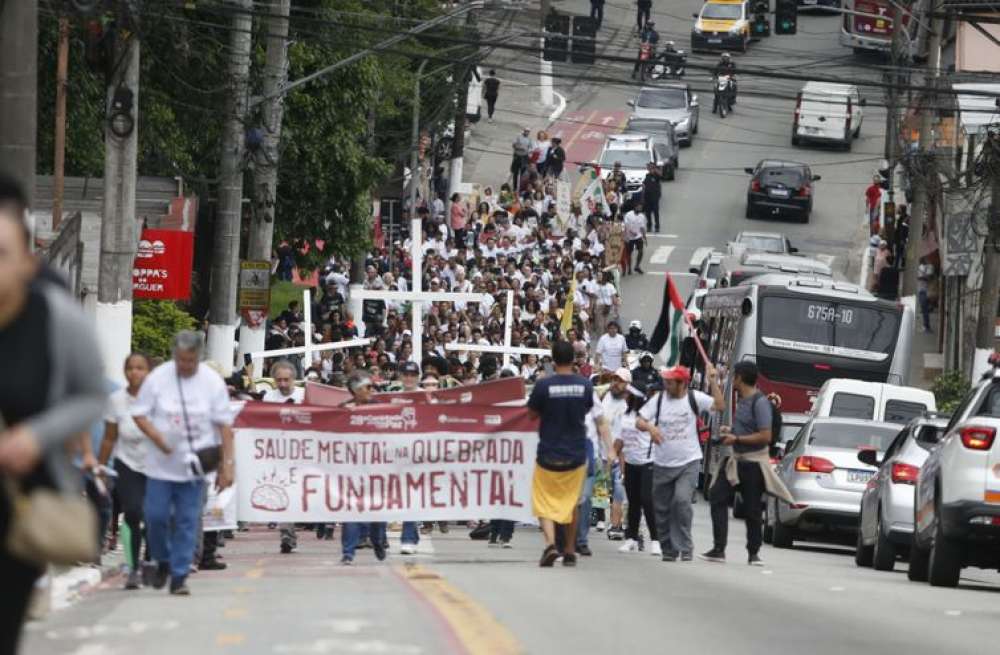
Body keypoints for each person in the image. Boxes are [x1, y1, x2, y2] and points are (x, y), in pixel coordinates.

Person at [0, 174, 108, 654]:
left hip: (16, 512)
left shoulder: (54, 317)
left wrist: (36, 436)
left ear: (25, 259)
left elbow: (91, 394)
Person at [132, 330, 235, 596]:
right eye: (180, 360)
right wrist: (157, 437)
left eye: (190, 360)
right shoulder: (157, 379)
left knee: (188, 520)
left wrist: (227, 465)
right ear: (173, 355)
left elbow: (225, 426)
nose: (185, 366)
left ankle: (179, 576)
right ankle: (162, 559)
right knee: (155, 518)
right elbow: (140, 415)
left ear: (199, 357)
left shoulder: (212, 382)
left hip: (195, 467)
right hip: (161, 466)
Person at [702, 361, 792, 566]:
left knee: (752, 508)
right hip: (736, 460)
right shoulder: (742, 400)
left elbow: (766, 436)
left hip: (753, 462)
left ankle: (753, 552)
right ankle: (718, 549)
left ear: (740, 378)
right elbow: (744, 428)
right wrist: (730, 431)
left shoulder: (759, 402)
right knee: (717, 495)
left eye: (735, 376)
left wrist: (738, 439)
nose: (733, 380)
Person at [637, 365, 724, 561]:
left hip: (688, 461)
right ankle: (668, 549)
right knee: (661, 508)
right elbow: (639, 421)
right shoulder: (658, 400)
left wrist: (713, 380)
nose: (666, 385)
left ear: (682, 383)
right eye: (665, 381)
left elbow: (719, 405)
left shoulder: (694, 398)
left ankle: (685, 546)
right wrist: (650, 428)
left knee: (682, 501)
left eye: (670, 382)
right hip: (661, 462)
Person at [527, 341, 594, 568]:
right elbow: (586, 409)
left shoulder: (543, 386)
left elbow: (531, 415)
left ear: (553, 360)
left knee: (543, 501)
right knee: (572, 503)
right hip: (576, 455)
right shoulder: (585, 386)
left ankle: (549, 544)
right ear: (573, 359)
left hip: (548, 455)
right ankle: (569, 550)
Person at [97, 353, 154, 589]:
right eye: (130, 368)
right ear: (124, 372)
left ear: (148, 372)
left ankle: (151, 561)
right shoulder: (116, 400)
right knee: (132, 512)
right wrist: (100, 466)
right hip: (126, 464)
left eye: (140, 368)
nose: (135, 372)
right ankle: (133, 568)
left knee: (154, 516)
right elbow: (109, 438)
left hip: (155, 464)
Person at [339, 372, 388, 565]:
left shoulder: (381, 408)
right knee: (351, 511)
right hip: (352, 469)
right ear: (355, 391)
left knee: (377, 513)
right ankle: (348, 553)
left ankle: (377, 541)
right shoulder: (343, 409)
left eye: (371, 387)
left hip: (377, 469)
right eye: (367, 387)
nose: (371, 390)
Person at [261, 360, 303, 555]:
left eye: (287, 380)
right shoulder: (269, 397)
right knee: (283, 492)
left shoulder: (304, 396)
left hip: (303, 452)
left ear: (294, 379)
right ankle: (287, 535)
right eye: (279, 380)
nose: (283, 384)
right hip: (278, 453)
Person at [615, 382, 656, 553]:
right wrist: (617, 461)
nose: (625, 396)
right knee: (633, 503)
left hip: (648, 462)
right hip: (631, 463)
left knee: (647, 500)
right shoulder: (624, 416)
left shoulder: (650, 416)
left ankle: (656, 540)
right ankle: (631, 538)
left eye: (629, 394)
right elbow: (621, 441)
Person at [623, 204, 646, 275]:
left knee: (641, 251)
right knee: (629, 253)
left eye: (641, 208)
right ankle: (629, 268)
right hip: (629, 237)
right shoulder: (629, 215)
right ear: (635, 207)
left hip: (638, 236)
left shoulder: (642, 216)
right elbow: (626, 225)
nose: (640, 209)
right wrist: (631, 232)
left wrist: (644, 236)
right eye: (638, 207)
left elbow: (642, 227)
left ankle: (637, 265)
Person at [641, 162, 662, 232]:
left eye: (651, 168)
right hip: (647, 197)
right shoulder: (647, 176)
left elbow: (660, 175)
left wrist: (655, 169)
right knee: (648, 213)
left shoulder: (656, 176)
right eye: (649, 168)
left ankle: (657, 226)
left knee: (656, 212)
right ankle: (649, 226)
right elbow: (644, 185)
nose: (650, 169)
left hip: (655, 197)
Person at [917, 257, 934, 332]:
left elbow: (930, 278)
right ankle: (925, 325)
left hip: (927, 290)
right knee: (923, 309)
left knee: (925, 309)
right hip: (920, 289)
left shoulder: (930, 266)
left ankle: (927, 326)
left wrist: (922, 277)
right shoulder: (920, 267)